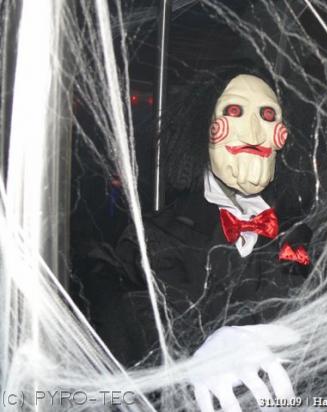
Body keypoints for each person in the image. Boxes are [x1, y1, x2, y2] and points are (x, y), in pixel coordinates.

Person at [90, 65, 312, 410]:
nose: (254, 131)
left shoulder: (300, 236)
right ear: (203, 128)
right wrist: (195, 353)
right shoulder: (152, 239)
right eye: (234, 111)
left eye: (268, 115)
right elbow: (132, 343)